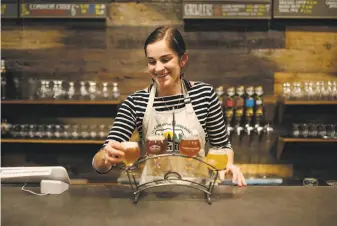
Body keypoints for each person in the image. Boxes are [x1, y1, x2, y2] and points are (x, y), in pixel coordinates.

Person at [93, 26, 247, 187]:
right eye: (152, 62)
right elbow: (100, 162)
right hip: (153, 196)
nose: (158, 68)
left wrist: (227, 164)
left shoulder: (204, 95)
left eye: (165, 59)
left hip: (198, 195)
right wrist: (105, 158)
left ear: (183, 59)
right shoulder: (136, 102)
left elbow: (221, 146)